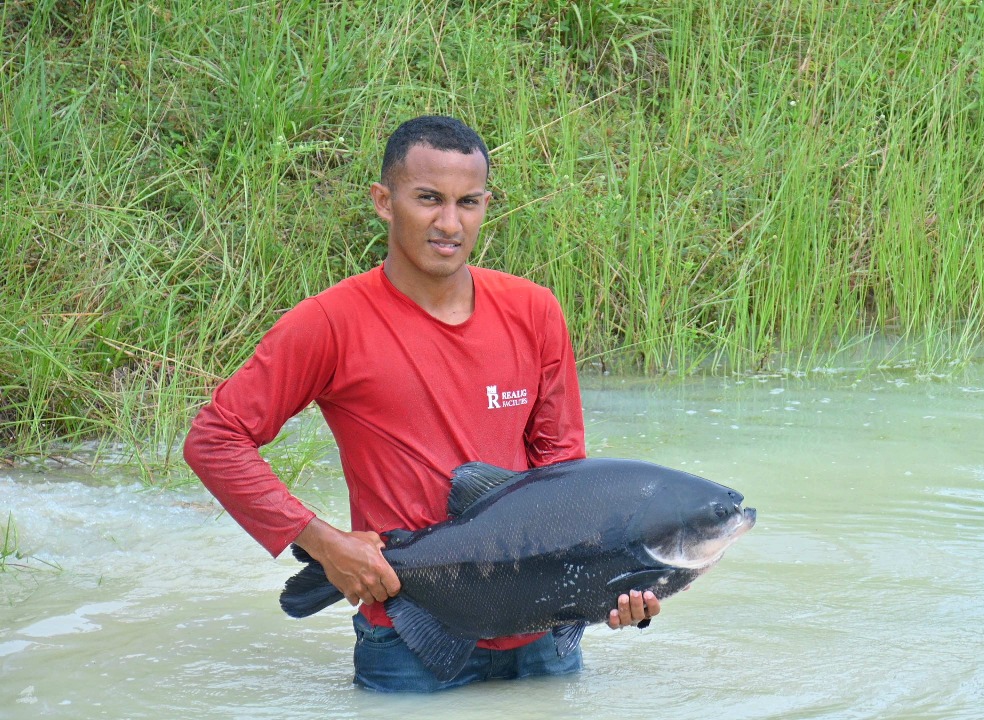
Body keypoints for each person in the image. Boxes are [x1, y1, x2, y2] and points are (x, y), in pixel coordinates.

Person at [183, 115, 659, 693]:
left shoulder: (534, 311)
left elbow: (564, 480)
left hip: (542, 638)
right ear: (384, 201)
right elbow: (215, 439)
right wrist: (324, 541)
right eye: (428, 199)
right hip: (407, 635)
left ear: (488, 203)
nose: (450, 223)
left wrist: (610, 588)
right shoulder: (331, 322)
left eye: (469, 202)